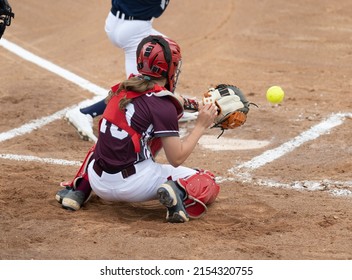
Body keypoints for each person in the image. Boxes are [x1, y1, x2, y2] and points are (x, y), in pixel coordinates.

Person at [56, 35, 220, 223]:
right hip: (134, 186)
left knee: (106, 143)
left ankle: (79, 190)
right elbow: (176, 158)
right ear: (170, 68)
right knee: (206, 180)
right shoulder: (163, 106)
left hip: (98, 181)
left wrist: (196, 104)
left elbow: (163, 98)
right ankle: (178, 190)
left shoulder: (123, 88)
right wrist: (201, 125)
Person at [65, 0, 197, 142]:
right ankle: (85, 113)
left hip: (115, 22)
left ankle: (169, 104)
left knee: (167, 51)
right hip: (134, 30)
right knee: (141, 84)